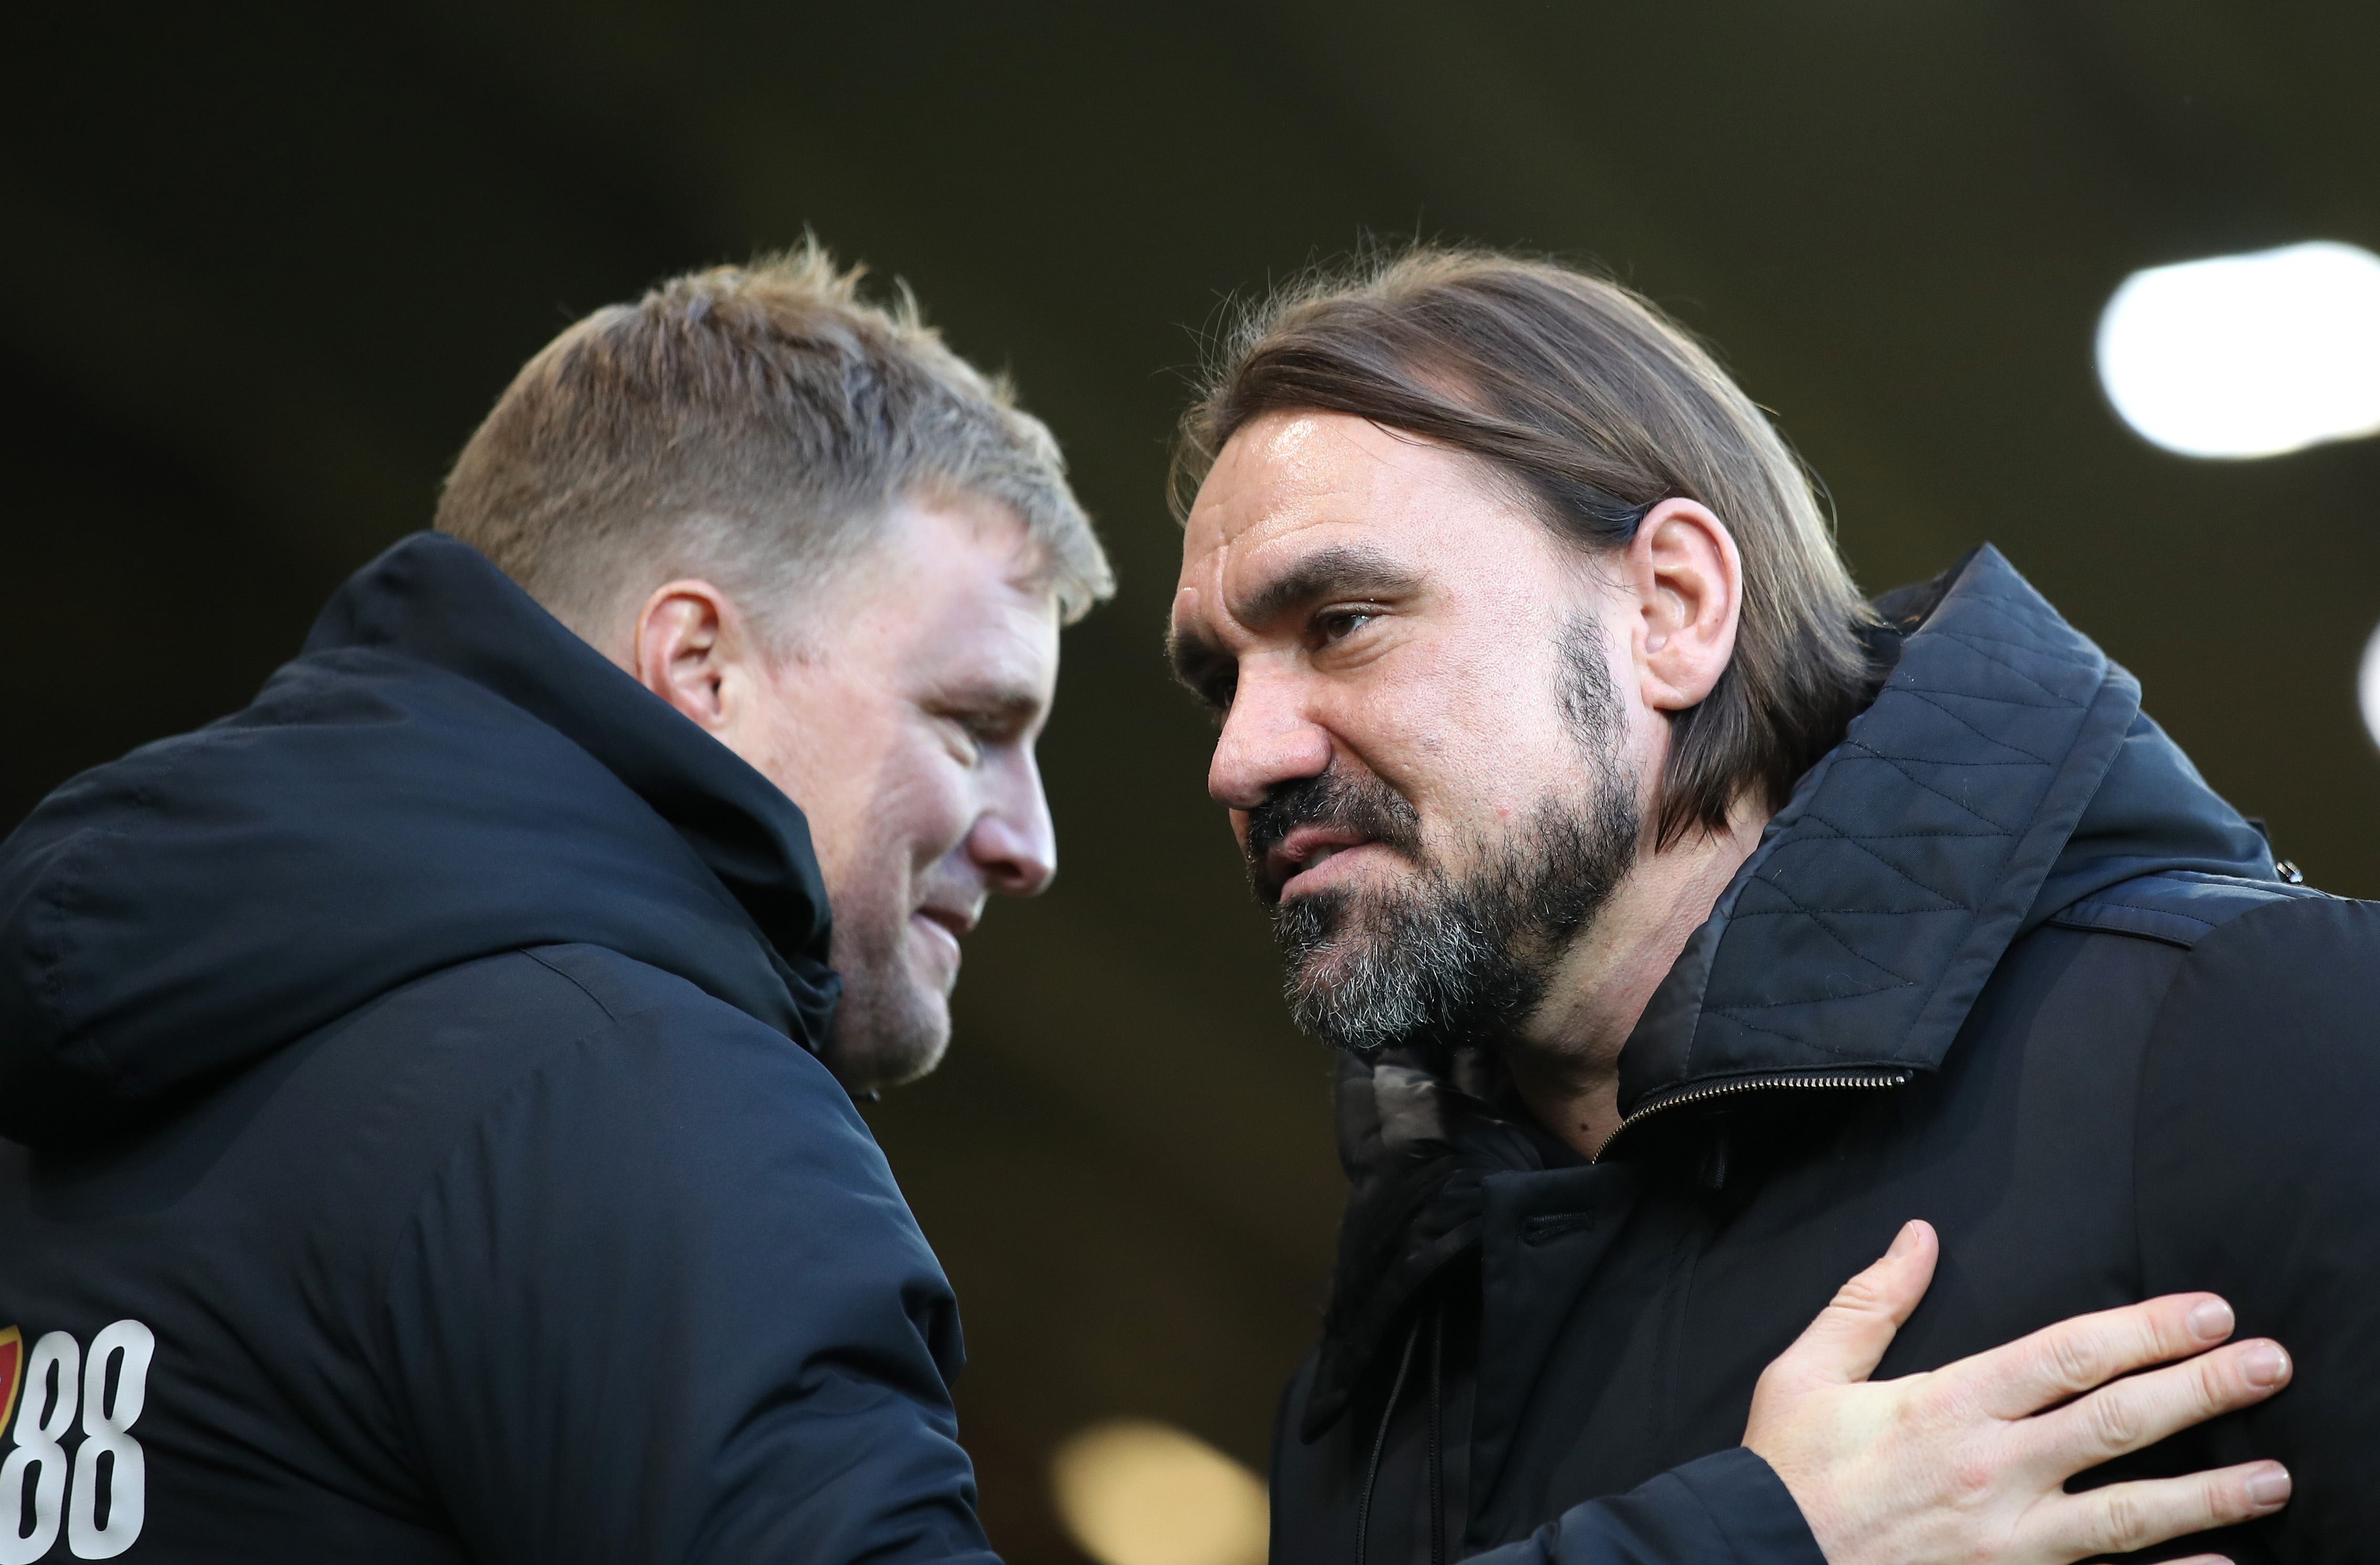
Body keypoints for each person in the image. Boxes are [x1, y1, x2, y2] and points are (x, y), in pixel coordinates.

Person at [0, 246, 2281, 1565]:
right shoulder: (617, 1100)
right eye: (978, 716)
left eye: (1343, 626)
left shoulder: (108, 1133)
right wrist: (1757, 1546)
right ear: (698, 669)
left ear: (1682, 601)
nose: (1055, 826)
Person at [1167, 248, 2367, 1565]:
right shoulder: (1380, 1358)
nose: (1243, 757)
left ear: (1671, 607)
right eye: (1219, 684)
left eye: (1341, 620)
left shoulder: (2262, 1028)